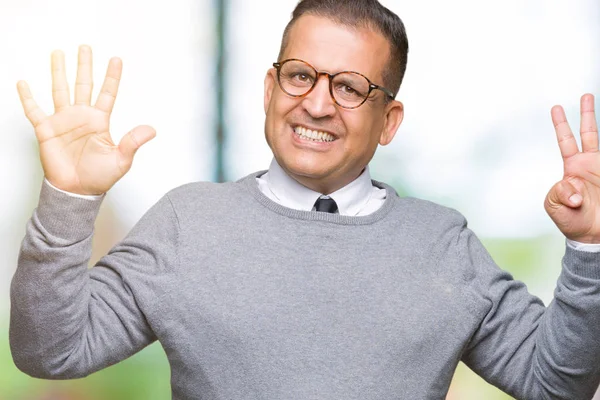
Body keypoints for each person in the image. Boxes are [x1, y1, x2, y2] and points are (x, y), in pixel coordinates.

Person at [9, 0, 600, 399]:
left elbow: (555, 384)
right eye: (300, 76)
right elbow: (50, 352)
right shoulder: (188, 223)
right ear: (271, 87)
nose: (316, 105)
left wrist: (591, 249)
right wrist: (69, 196)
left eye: (348, 87)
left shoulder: (443, 243)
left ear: (388, 120)